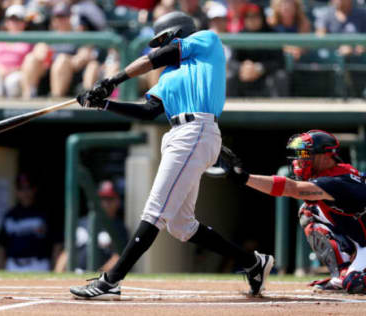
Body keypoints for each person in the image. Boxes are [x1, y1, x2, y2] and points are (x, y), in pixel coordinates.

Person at [71, 11, 274, 299]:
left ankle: (110, 281)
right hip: (179, 134)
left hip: (196, 129)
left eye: (163, 40)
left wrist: (113, 79)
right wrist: (103, 103)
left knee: (154, 212)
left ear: (177, 34)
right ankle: (254, 263)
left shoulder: (206, 41)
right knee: (181, 225)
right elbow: (148, 110)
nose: (158, 47)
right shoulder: (169, 77)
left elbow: (160, 55)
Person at [220, 130, 366, 294]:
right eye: (299, 154)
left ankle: (351, 275)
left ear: (326, 156)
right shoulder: (335, 173)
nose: (300, 159)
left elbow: (291, 188)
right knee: (309, 211)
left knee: (356, 284)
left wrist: (245, 178)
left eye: (306, 153)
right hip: (360, 241)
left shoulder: (336, 181)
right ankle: (343, 272)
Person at [55, 180, 129, 273]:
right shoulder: (81, 223)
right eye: (102, 199)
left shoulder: (119, 228)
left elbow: (119, 258)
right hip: (75, 273)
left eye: (110, 199)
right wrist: (59, 272)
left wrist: (98, 276)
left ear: (117, 201)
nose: (105, 203)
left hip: (98, 276)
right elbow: (67, 251)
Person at [0, 173, 62, 272]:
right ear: (17, 191)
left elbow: (57, 243)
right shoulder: (10, 215)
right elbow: (1, 246)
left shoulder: (45, 213)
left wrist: (56, 268)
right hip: (13, 265)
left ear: (34, 189)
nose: (25, 192)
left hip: (38, 265)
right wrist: (0, 269)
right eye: (21, 188)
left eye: (28, 188)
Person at [227, 4, 288, 97]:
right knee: (230, 77)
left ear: (262, 18)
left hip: (266, 76)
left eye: (256, 16)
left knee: (280, 76)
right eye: (248, 17)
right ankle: (229, 110)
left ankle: (279, 110)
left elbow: (279, 62)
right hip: (245, 76)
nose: (252, 20)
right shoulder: (240, 36)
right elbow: (232, 62)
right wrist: (242, 67)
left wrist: (259, 68)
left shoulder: (272, 35)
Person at [0, 4, 33, 97]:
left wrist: (12, 70)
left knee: (13, 81)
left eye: (18, 20)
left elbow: (31, 63)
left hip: (16, 73)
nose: (14, 23)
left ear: (25, 23)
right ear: (6, 22)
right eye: (11, 19)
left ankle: (12, 108)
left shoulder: (29, 40)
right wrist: (0, 69)